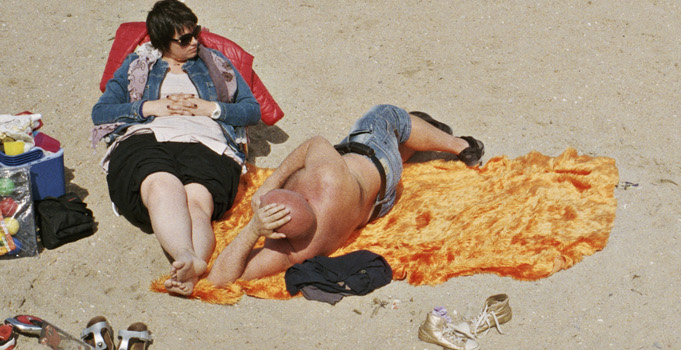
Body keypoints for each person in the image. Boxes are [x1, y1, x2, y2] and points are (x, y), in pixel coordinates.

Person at [91, 0, 262, 295]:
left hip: (207, 141)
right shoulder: (138, 65)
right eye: (184, 39)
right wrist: (149, 106)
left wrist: (211, 108)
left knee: (198, 200)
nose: (194, 41)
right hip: (149, 136)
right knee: (162, 184)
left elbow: (252, 111)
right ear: (162, 42)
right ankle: (186, 256)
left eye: (194, 32)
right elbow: (101, 112)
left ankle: (195, 263)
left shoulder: (216, 64)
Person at [206, 107, 482, 287]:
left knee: (385, 144)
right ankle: (464, 146)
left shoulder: (293, 252)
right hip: (379, 163)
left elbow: (219, 280)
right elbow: (314, 143)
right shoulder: (324, 177)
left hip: (377, 205)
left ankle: (417, 135)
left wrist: (255, 229)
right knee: (387, 116)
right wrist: (269, 185)